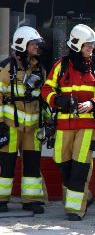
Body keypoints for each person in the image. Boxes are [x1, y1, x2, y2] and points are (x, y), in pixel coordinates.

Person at [41, 24, 95, 221]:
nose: (91, 47)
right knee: (61, 161)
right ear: (76, 45)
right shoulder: (61, 65)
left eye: (92, 44)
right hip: (63, 124)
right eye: (87, 44)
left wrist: (93, 103)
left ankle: (75, 210)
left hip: (88, 125)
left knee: (80, 165)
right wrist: (59, 101)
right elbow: (46, 90)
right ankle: (86, 196)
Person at [0, 26, 48, 214]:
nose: (37, 47)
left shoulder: (40, 69)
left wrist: (47, 121)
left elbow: (43, 99)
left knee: (32, 165)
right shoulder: (6, 68)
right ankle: (1, 200)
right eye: (33, 44)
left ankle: (31, 200)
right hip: (10, 126)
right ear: (22, 45)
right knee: (6, 164)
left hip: (34, 127)